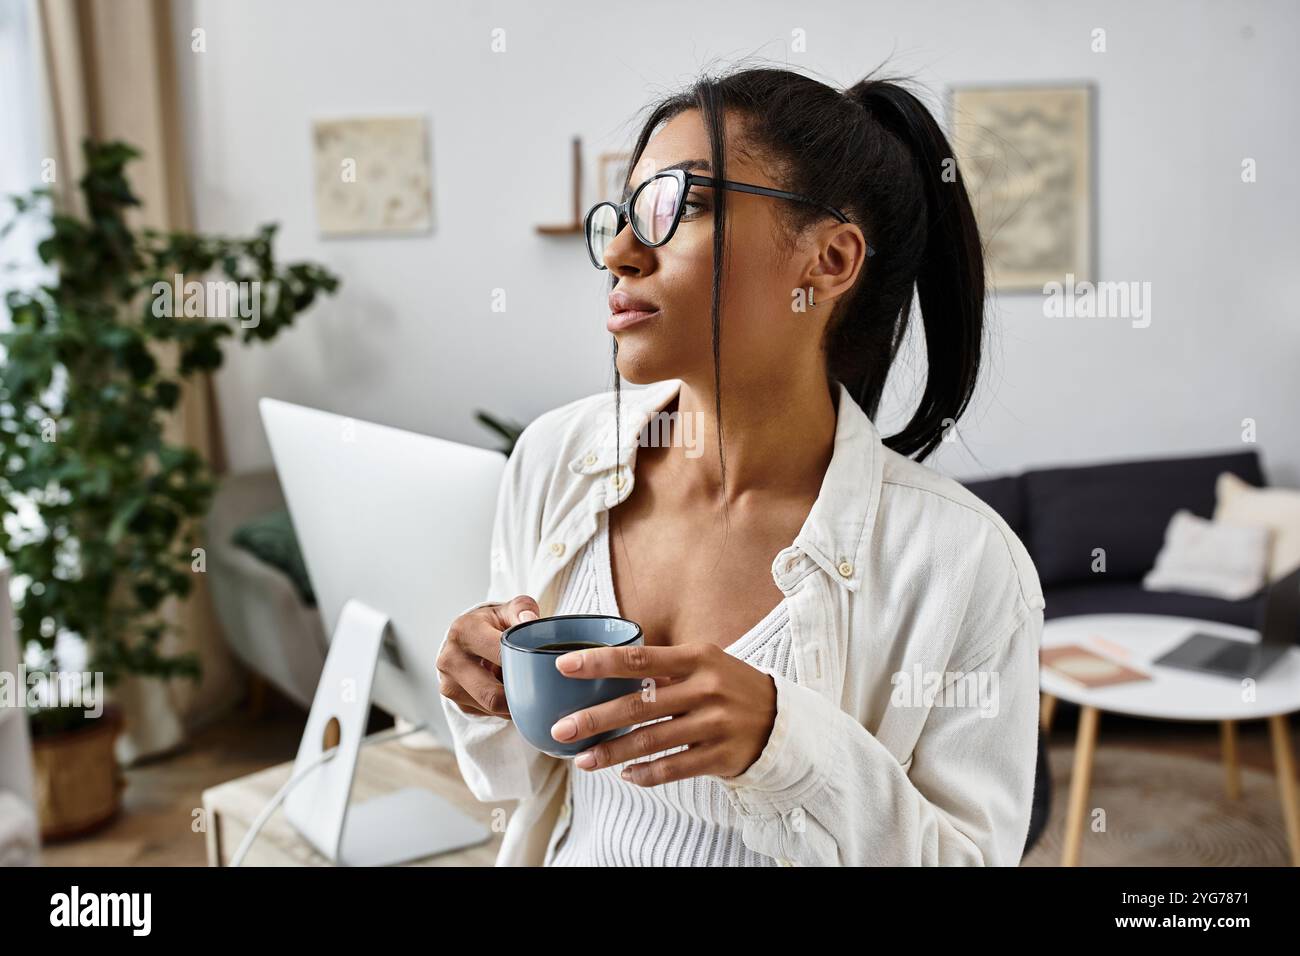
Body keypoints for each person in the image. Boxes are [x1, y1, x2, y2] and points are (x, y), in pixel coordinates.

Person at [437, 64, 1045, 866]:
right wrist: (483, 693)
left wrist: (784, 743)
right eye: (624, 213)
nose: (620, 252)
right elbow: (527, 782)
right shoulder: (556, 459)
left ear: (829, 261)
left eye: (677, 209)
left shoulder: (965, 563)